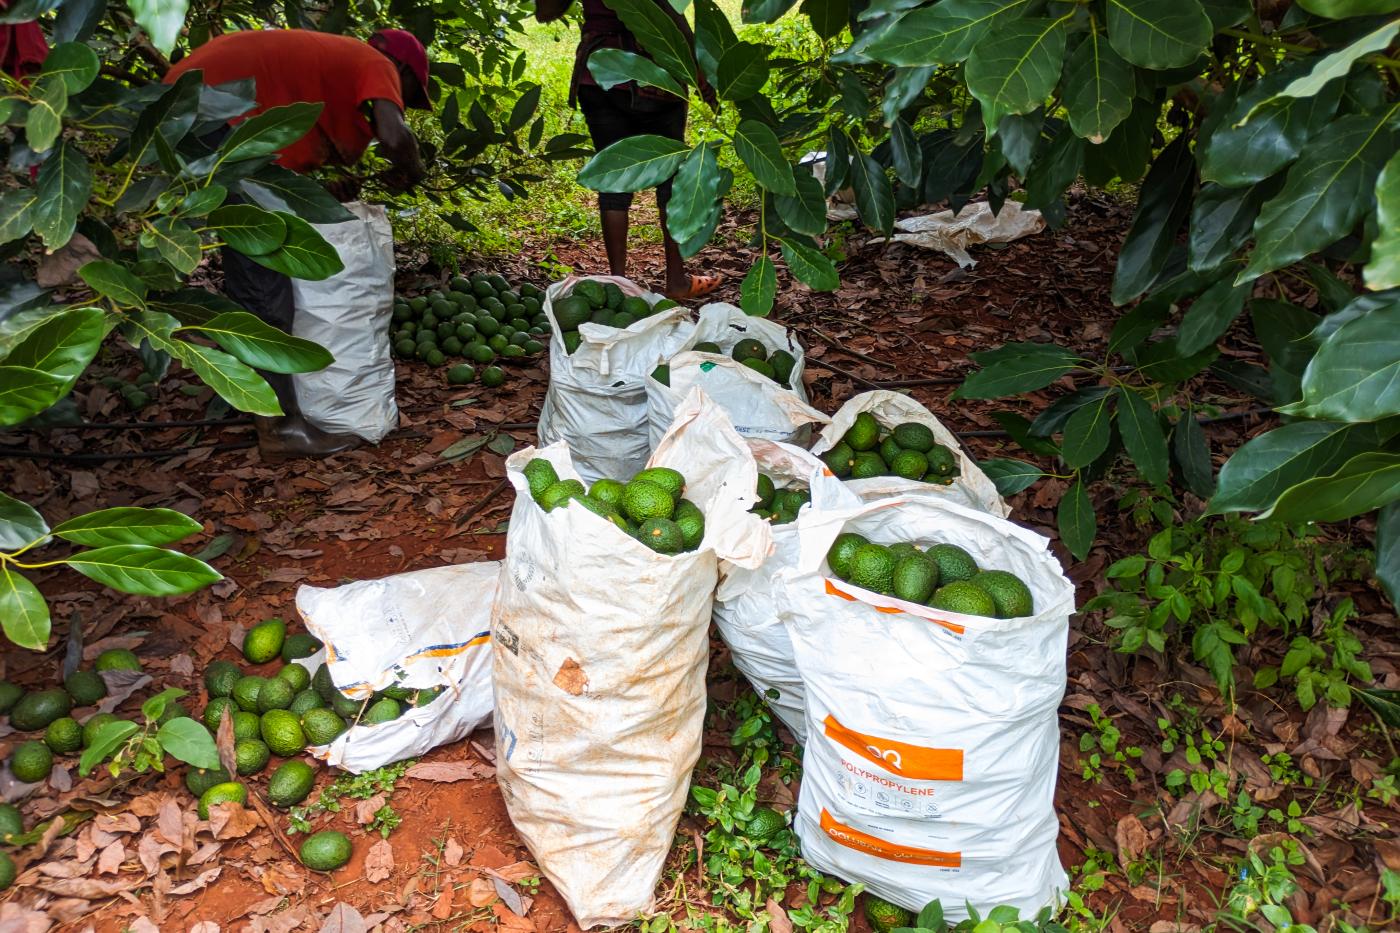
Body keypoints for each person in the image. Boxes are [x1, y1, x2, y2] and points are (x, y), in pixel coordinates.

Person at [165, 29, 431, 460]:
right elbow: (395, 137)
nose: (400, 102)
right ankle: (281, 428)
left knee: (260, 259)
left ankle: (263, 402)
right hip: (207, 111)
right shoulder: (377, 62)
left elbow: (295, 166)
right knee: (262, 276)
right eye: (410, 94)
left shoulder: (326, 69)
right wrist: (411, 169)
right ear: (403, 69)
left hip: (195, 108)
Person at [534, 0, 721, 301]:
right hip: (655, 78)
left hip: (600, 75)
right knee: (671, 180)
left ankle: (619, 284)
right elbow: (670, 14)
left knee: (613, 184)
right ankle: (676, 281)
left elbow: (545, 12)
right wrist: (699, 73)